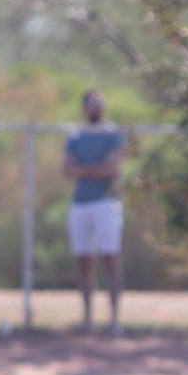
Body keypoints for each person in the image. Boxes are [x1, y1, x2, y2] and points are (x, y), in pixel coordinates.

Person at [63, 90, 126, 337]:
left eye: (99, 104)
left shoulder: (112, 133)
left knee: (110, 259)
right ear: (84, 108)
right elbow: (67, 170)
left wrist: (83, 170)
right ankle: (87, 320)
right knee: (83, 261)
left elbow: (112, 169)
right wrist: (95, 170)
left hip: (106, 203)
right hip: (80, 203)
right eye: (92, 104)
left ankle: (114, 321)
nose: (96, 108)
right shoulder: (76, 136)